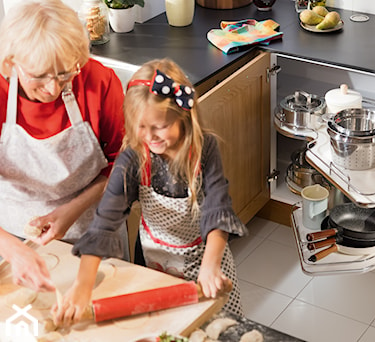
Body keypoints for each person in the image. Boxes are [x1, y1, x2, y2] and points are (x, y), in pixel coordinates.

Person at [53, 58, 248, 325]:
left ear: (183, 116)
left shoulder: (205, 149)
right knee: (167, 328)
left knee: (219, 328)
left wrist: (211, 266)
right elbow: (104, 222)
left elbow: (217, 209)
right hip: (156, 266)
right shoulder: (133, 159)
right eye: (141, 127)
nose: (150, 136)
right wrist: (83, 286)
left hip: (206, 261)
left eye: (160, 126)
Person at [0, 0, 127, 292]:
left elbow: (124, 163)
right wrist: (13, 249)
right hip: (11, 241)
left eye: (64, 74)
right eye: (39, 75)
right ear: (11, 61)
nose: (53, 89)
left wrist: (71, 210)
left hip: (96, 233)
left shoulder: (98, 80)